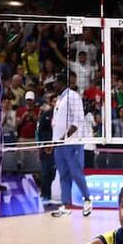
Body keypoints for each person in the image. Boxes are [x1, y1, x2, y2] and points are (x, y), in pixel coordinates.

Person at [50, 72, 92, 217]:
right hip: (59, 144)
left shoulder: (73, 96)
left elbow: (78, 120)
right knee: (63, 175)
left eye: (55, 82)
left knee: (76, 173)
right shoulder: (59, 99)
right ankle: (65, 205)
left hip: (72, 142)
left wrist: (64, 136)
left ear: (61, 83)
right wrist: (55, 141)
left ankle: (87, 200)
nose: (53, 85)